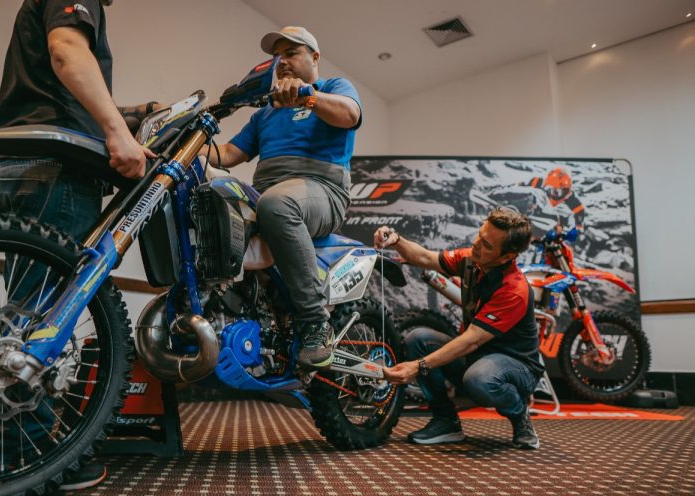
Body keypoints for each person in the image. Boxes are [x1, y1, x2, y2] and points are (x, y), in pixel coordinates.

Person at [0, 0, 158, 490]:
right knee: (44, 320)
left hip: (17, 166)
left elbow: (57, 84)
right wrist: (116, 134)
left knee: (19, 317)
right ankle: (25, 455)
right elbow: (66, 51)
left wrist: (134, 113)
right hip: (57, 173)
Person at [203, 26, 362, 368]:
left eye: (291, 53)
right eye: (278, 57)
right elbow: (229, 152)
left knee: (276, 203)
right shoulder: (265, 113)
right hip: (266, 194)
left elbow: (350, 114)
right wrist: (187, 148)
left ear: (314, 57)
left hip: (321, 190)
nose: (282, 62)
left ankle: (315, 322)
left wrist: (308, 97)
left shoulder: (332, 88)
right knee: (205, 195)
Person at [375, 208, 544, 449]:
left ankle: (520, 415)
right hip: (476, 356)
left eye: (486, 244)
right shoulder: (472, 260)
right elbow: (425, 258)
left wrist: (418, 366)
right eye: (479, 235)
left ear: (507, 257)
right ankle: (446, 421)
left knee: (479, 378)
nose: (476, 245)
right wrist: (397, 240)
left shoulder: (513, 290)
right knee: (418, 339)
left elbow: (471, 340)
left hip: (516, 367)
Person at [525, 167, 585, 232]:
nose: (555, 194)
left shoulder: (569, 196)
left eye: (561, 190)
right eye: (553, 190)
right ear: (547, 186)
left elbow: (580, 211)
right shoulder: (536, 182)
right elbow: (521, 190)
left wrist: (579, 226)